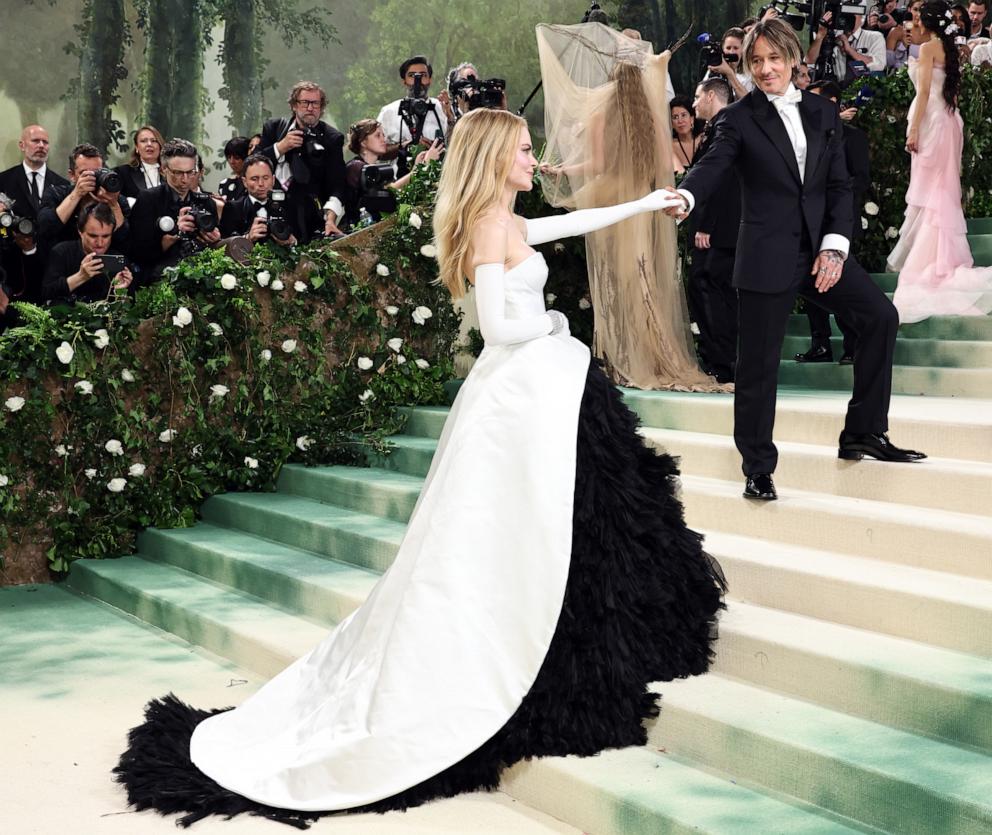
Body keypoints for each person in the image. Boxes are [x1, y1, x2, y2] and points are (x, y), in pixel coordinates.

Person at [112, 107, 725, 827]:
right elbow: (499, 329)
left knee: (558, 524)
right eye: (525, 151)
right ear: (496, 158)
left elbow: (567, 226)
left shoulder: (506, 220)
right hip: (517, 397)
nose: (536, 160)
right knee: (517, 530)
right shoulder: (494, 227)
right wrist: (555, 324)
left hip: (532, 396)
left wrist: (648, 203)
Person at [665, 18, 925, 502]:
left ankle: (864, 431)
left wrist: (834, 246)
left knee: (879, 318)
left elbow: (838, 186)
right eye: (756, 61)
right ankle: (758, 466)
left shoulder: (823, 113)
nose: (765, 70)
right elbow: (713, 165)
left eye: (774, 59)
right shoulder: (737, 119)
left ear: (792, 59)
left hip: (820, 249)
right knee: (759, 367)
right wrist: (686, 197)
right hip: (767, 254)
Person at [536, 22, 724, 391]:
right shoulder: (651, 114)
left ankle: (627, 359)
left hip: (613, 204)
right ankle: (653, 355)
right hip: (642, 204)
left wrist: (559, 168)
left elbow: (595, 165)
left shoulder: (599, 111)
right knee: (644, 279)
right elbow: (661, 164)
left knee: (618, 282)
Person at [887, 1, 992, 322]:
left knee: (933, 195)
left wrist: (914, 128)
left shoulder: (931, 47)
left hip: (933, 124)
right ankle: (939, 258)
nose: (913, 22)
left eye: (917, 18)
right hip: (949, 122)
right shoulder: (946, 50)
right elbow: (952, 95)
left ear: (928, 22)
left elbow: (922, 94)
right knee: (941, 194)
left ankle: (932, 263)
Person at [795, 79, 871, 366]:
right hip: (809, 226)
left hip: (841, 226)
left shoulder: (853, 136)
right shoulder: (803, 138)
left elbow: (859, 179)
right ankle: (820, 344)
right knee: (812, 287)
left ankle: (852, 346)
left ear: (833, 103)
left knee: (839, 286)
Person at [688, 77, 740, 384]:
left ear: (710, 96)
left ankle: (724, 363)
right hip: (720, 228)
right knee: (711, 291)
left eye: (697, 97)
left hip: (719, 230)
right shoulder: (720, 126)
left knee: (711, 291)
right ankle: (721, 360)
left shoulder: (727, 125)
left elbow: (724, 179)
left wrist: (706, 225)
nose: (693, 104)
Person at [260, 81, 348, 240]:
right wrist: (280, 147)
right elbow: (252, 163)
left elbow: (338, 184)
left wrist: (331, 218)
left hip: (309, 217)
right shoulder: (273, 128)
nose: (310, 108)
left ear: (321, 107)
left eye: (315, 103)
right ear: (294, 105)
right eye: (305, 102)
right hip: (271, 210)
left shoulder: (332, 138)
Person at [129, 138, 222, 279]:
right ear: (164, 170)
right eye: (178, 173)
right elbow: (137, 253)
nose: (185, 179)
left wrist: (215, 241)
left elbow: (214, 252)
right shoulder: (148, 199)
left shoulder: (205, 202)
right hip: (159, 281)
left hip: (200, 279)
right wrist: (174, 235)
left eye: (190, 172)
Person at [342, 119, 442, 228]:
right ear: (363, 142)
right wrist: (418, 169)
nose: (383, 139)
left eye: (383, 135)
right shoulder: (355, 167)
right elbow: (389, 192)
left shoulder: (379, 170)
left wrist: (417, 167)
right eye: (377, 136)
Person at [37, 143, 131, 255]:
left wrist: (113, 205)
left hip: (106, 263)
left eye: (97, 173)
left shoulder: (117, 200)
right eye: (84, 173)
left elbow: (124, 240)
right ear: (71, 175)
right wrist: (77, 194)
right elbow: (46, 228)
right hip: (65, 262)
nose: (92, 178)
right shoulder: (56, 194)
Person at [42, 203, 133, 304]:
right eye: (93, 236)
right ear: (80, 231)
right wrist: (81, 276)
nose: (100, 243)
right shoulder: (62, 252)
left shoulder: (119, 260)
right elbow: (46, 293)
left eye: (106, 236)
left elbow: (129, 308)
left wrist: (120, 292)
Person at [217, 154, 300, 245]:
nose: (261, 183)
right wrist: (247, 238)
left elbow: (304, 239)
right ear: (245, 182)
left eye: (265, 178)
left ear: (273, 179)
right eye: (254, 179)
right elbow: (223, 246)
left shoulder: (288, 206)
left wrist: (292, 242)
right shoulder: (232, 208)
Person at [0, 125, 68, 228]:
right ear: (22, 146)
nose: (41, 145)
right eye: (35, 141)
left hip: (51, 242)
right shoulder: (4, 180)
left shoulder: (62, 185)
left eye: (45, 142)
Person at [376, 55, 449, 149]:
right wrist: (407, 145)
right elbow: (377, 151)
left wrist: (450, 117)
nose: (417, 80)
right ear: (404, 81)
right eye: (411, 76)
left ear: (430, 80)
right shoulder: (389, 111)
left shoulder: (441, 107)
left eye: (423, 75)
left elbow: (455, 143)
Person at [806, 12, 887, 80]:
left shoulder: (874, 37)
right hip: (834, 88)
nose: (847, 19)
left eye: (852, 15)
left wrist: (850, 50)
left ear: (862, 18)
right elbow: (809, 63)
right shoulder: (830, 36)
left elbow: (879, 65)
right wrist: (820, 35)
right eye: (844, 14)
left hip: (862, 89)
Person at [113, 125, 164, 201]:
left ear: (160, 146)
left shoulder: (170, 172)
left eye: (154, 141)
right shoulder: (123, 172)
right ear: (137, 147)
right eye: (143, 141)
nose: (149, 144)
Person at [706, 27, 755, 100]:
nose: (731, 52)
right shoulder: (715, 68)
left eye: (735, 48)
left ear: (743, 50)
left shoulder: (749, 74)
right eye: (728, 48)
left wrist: (729, 73)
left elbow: (749, 103)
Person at [671, 96, 702, 175]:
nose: (680, 121)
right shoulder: (670, 146)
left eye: (683, 115)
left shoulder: (704, 138)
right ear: (672, 124)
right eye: (675, 117)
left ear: (692, 119)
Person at [217, 136, 250, 202]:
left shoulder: (255, 183)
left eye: (237, 158)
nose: (232, 162)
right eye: (229, 157)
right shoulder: (224, 184)